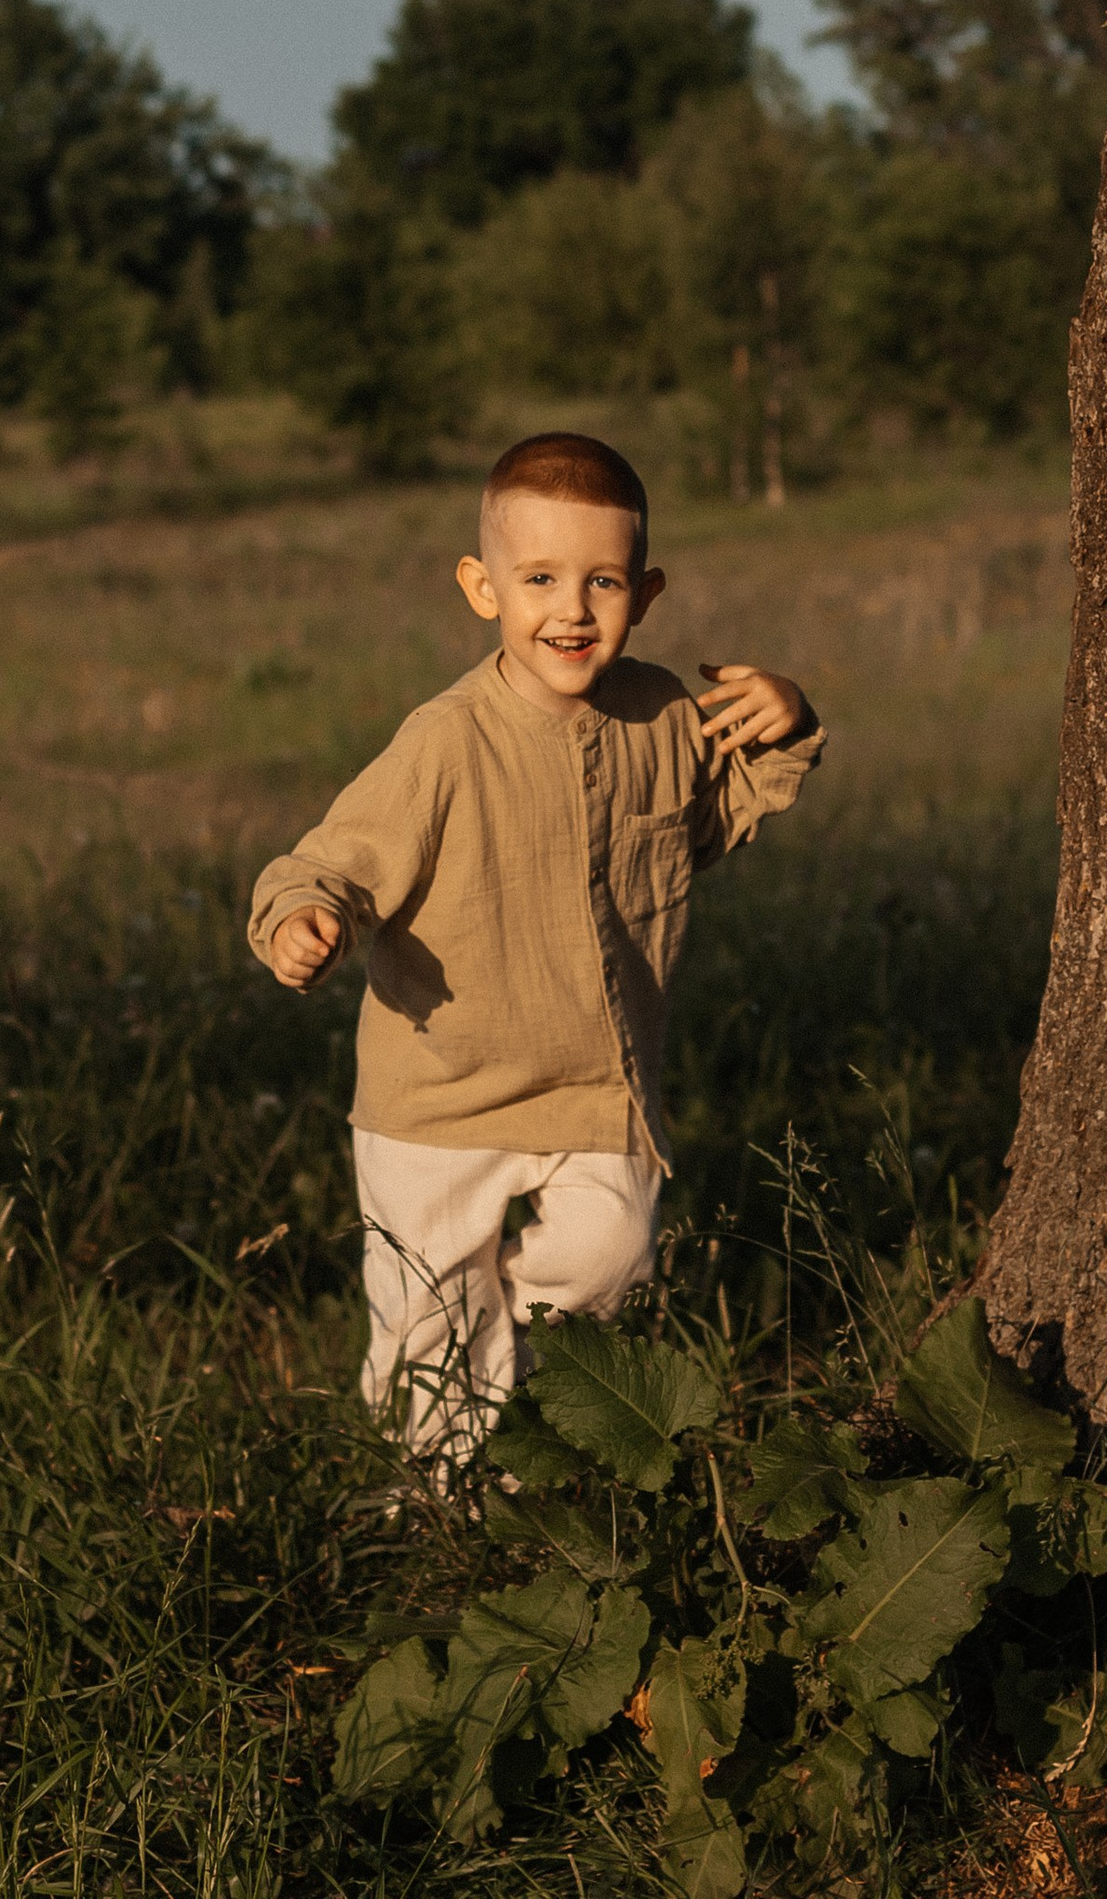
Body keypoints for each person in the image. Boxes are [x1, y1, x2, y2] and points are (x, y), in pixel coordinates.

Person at [247, 428, 822, 1461]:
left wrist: (784, 721)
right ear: (482, 587)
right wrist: (303, 917)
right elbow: (331, 857)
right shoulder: (445, 741)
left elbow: (711, 819)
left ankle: (527, 1396)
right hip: (438, 1096)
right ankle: (429, 1510)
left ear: (644, 596)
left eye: (601, 582)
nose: (571, 609)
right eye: (540, 578)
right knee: (428, 1320)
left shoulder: (661, 716)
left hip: (594, 1087)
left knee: (611, 1259)